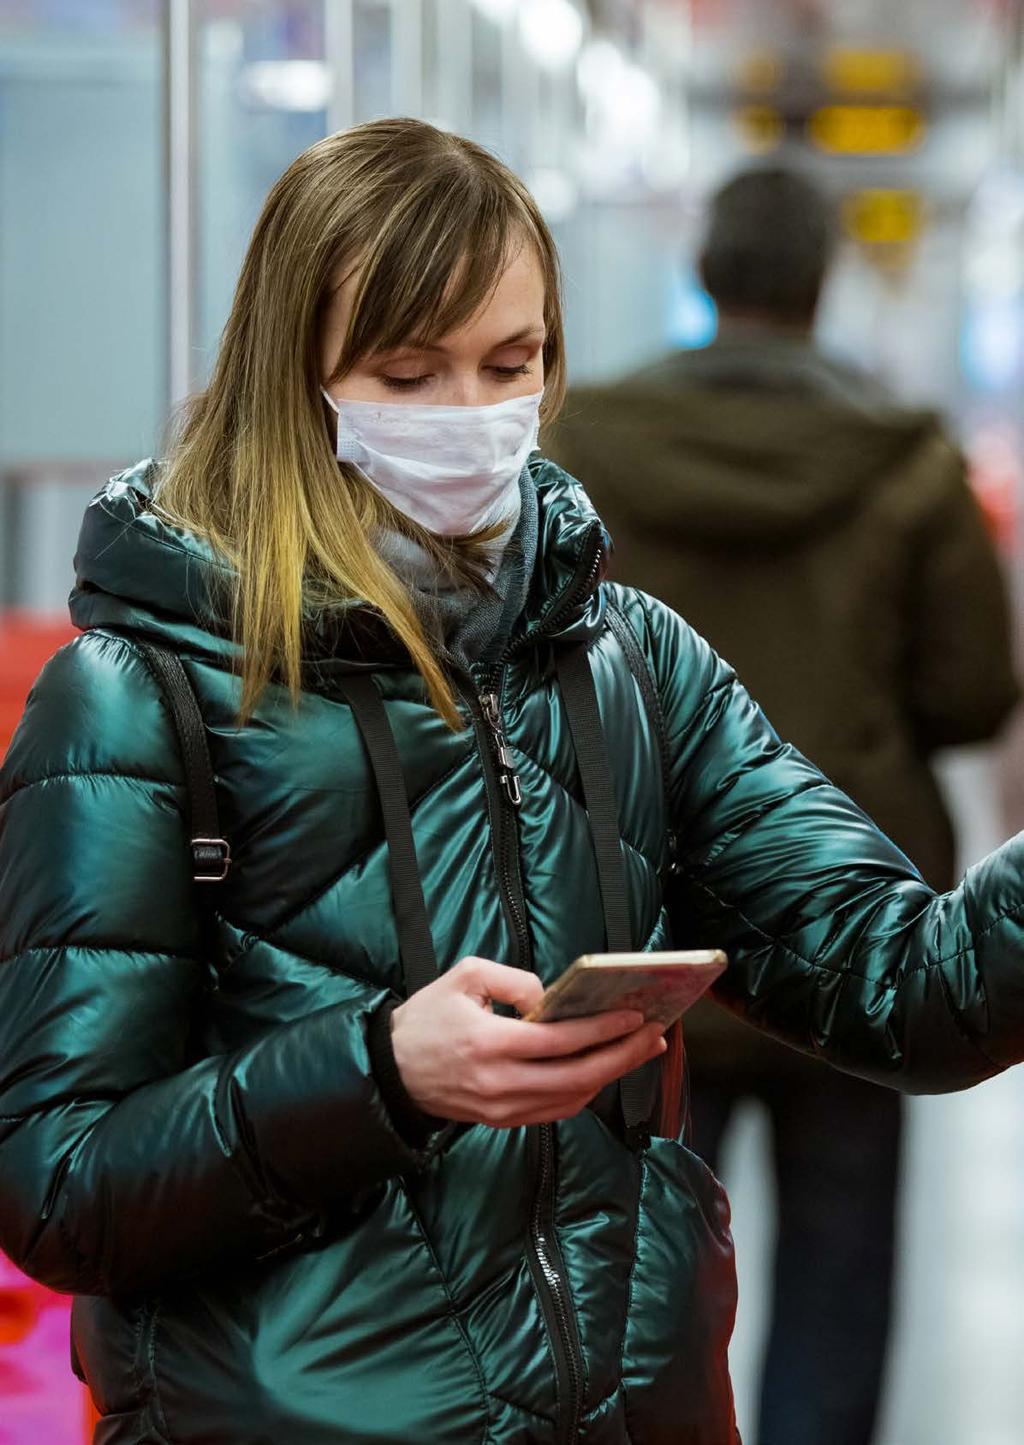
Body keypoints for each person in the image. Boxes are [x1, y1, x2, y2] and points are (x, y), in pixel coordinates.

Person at [0, 121, 1023, 1445]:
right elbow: (63, 1183)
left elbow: (908, 985)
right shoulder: (142, 696)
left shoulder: (630, 663)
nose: (468, 419)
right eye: (406, 372)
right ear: (289, 380)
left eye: (510, 362)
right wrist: (380, 1072)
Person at [548, 164, 1020, 1445]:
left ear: (706, 270)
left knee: (639, 1263)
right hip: (849, 918)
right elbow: (973, 691)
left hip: (634, 922)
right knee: (838, 1261)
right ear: (822, 279)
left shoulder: (580, 446)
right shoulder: (906, 462)